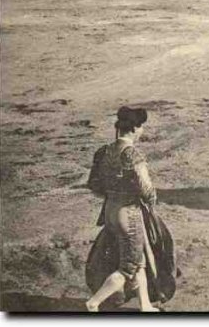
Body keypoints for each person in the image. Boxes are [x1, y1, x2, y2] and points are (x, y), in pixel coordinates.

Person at [85, 106, 160, 312]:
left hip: (110, 210)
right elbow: (147, 190)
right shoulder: (133, 154)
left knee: (138, 259)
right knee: (127, 267)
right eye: (142, 126)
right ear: (135, 128)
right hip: (129, 214)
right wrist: (149, 203)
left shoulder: (104, 151)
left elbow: (93, 184)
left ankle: (145, 305)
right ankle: (94, 303)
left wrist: (113, 192)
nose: (143, 130)